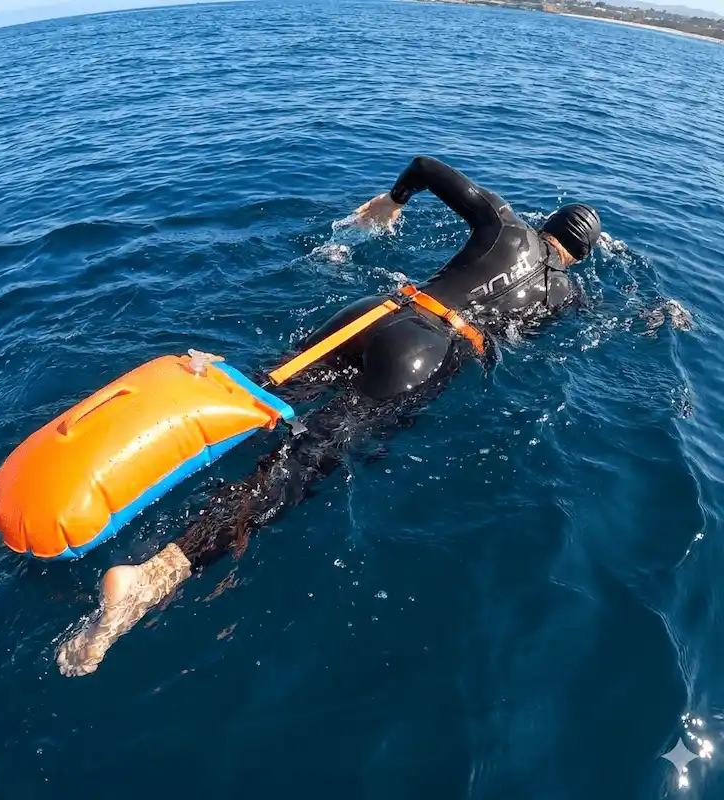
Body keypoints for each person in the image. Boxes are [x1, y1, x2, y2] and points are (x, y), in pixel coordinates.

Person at [57, 156, 601, 676]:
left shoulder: (506, 223)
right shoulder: (566, 294)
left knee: (264, 390)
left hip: (381, 312)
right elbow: (578, 324)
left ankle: (170, 417)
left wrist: (393, 202)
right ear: (579, 255)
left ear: (545, 223)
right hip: (425, 354)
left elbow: (427, 167)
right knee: (304, 460)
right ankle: (157, 573)